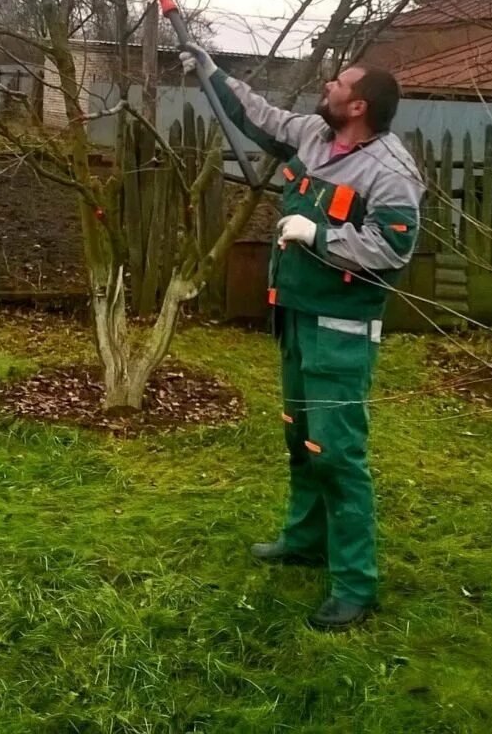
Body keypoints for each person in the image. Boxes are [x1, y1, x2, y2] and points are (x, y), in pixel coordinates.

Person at [180, 46, 424, 632]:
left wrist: (320, 234)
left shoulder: (390, 173)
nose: (328, 84)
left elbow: (393, 250)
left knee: (337, 454)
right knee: (301, 440)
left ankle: (355, 584)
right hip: (293, 312)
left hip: (339, 329)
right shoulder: (315, 135)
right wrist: (212, 74)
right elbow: (260, 117)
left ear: (358, 105)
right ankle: (305, 538)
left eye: (338, 83)